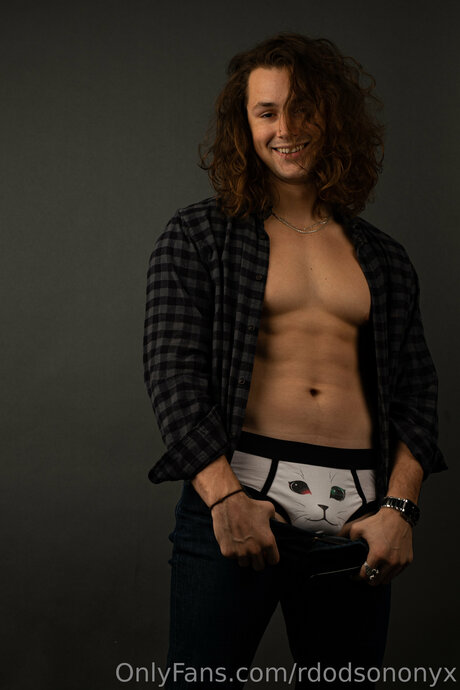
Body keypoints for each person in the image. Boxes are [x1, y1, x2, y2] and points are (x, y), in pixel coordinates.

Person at [143, 33, 446, 689]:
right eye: (267, 112)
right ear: (244, 125)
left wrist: (400, 509)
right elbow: (173, 378)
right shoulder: (199, 234)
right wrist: (225, 497)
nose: (285, 129)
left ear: (332, 117)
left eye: (302, 108)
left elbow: (418, 397)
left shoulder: (385, 258)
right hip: (240, 498)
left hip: (358, 519)